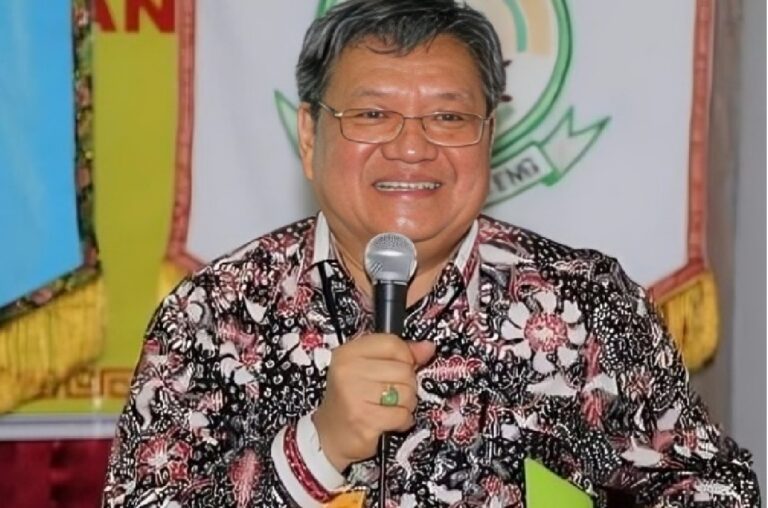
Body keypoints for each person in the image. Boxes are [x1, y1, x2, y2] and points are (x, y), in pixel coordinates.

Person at [102, 1, 760, 506]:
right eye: (372, 115)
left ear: (489, 136)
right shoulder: (215, 314)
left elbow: (713, 485)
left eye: (448, 117)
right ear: (309, 135)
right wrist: (317, 449)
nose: (412, 148)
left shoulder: (584, 302)